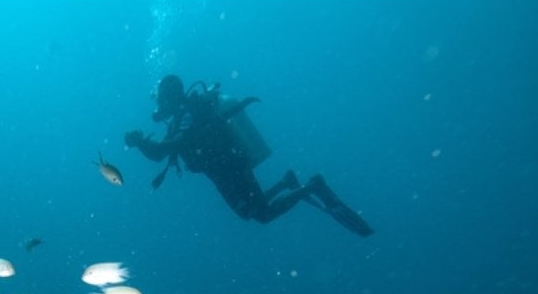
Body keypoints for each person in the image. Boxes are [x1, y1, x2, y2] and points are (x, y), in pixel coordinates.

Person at [124, 74, 374, 236]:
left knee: (260, 214)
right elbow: (167, 148)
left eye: (162, 99)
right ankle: (287, 182)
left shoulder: (189, 113)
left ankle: (312, 186)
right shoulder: (186, 113)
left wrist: (141, 141)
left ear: (171, 96)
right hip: (226, 169)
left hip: (229, 168)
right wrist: (146, 142)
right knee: (252, 210)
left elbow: (163, 150)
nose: (159, 106)